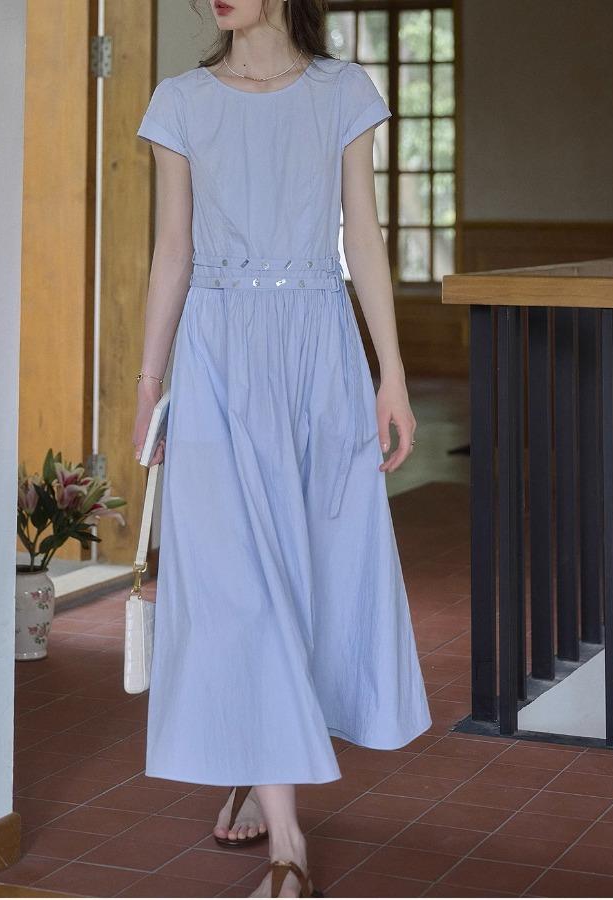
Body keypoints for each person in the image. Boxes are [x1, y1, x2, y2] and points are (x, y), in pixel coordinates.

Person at [131, 1, 431, 896]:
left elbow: (362, 237)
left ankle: (254, 757)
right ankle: (288, 846)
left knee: (308, 573)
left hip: (318, 354)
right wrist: (149, 385)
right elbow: (173, 251)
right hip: (216, 356)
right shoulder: (181, 100)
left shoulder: (342, 92)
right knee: (239, 582)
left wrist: (392, 376)